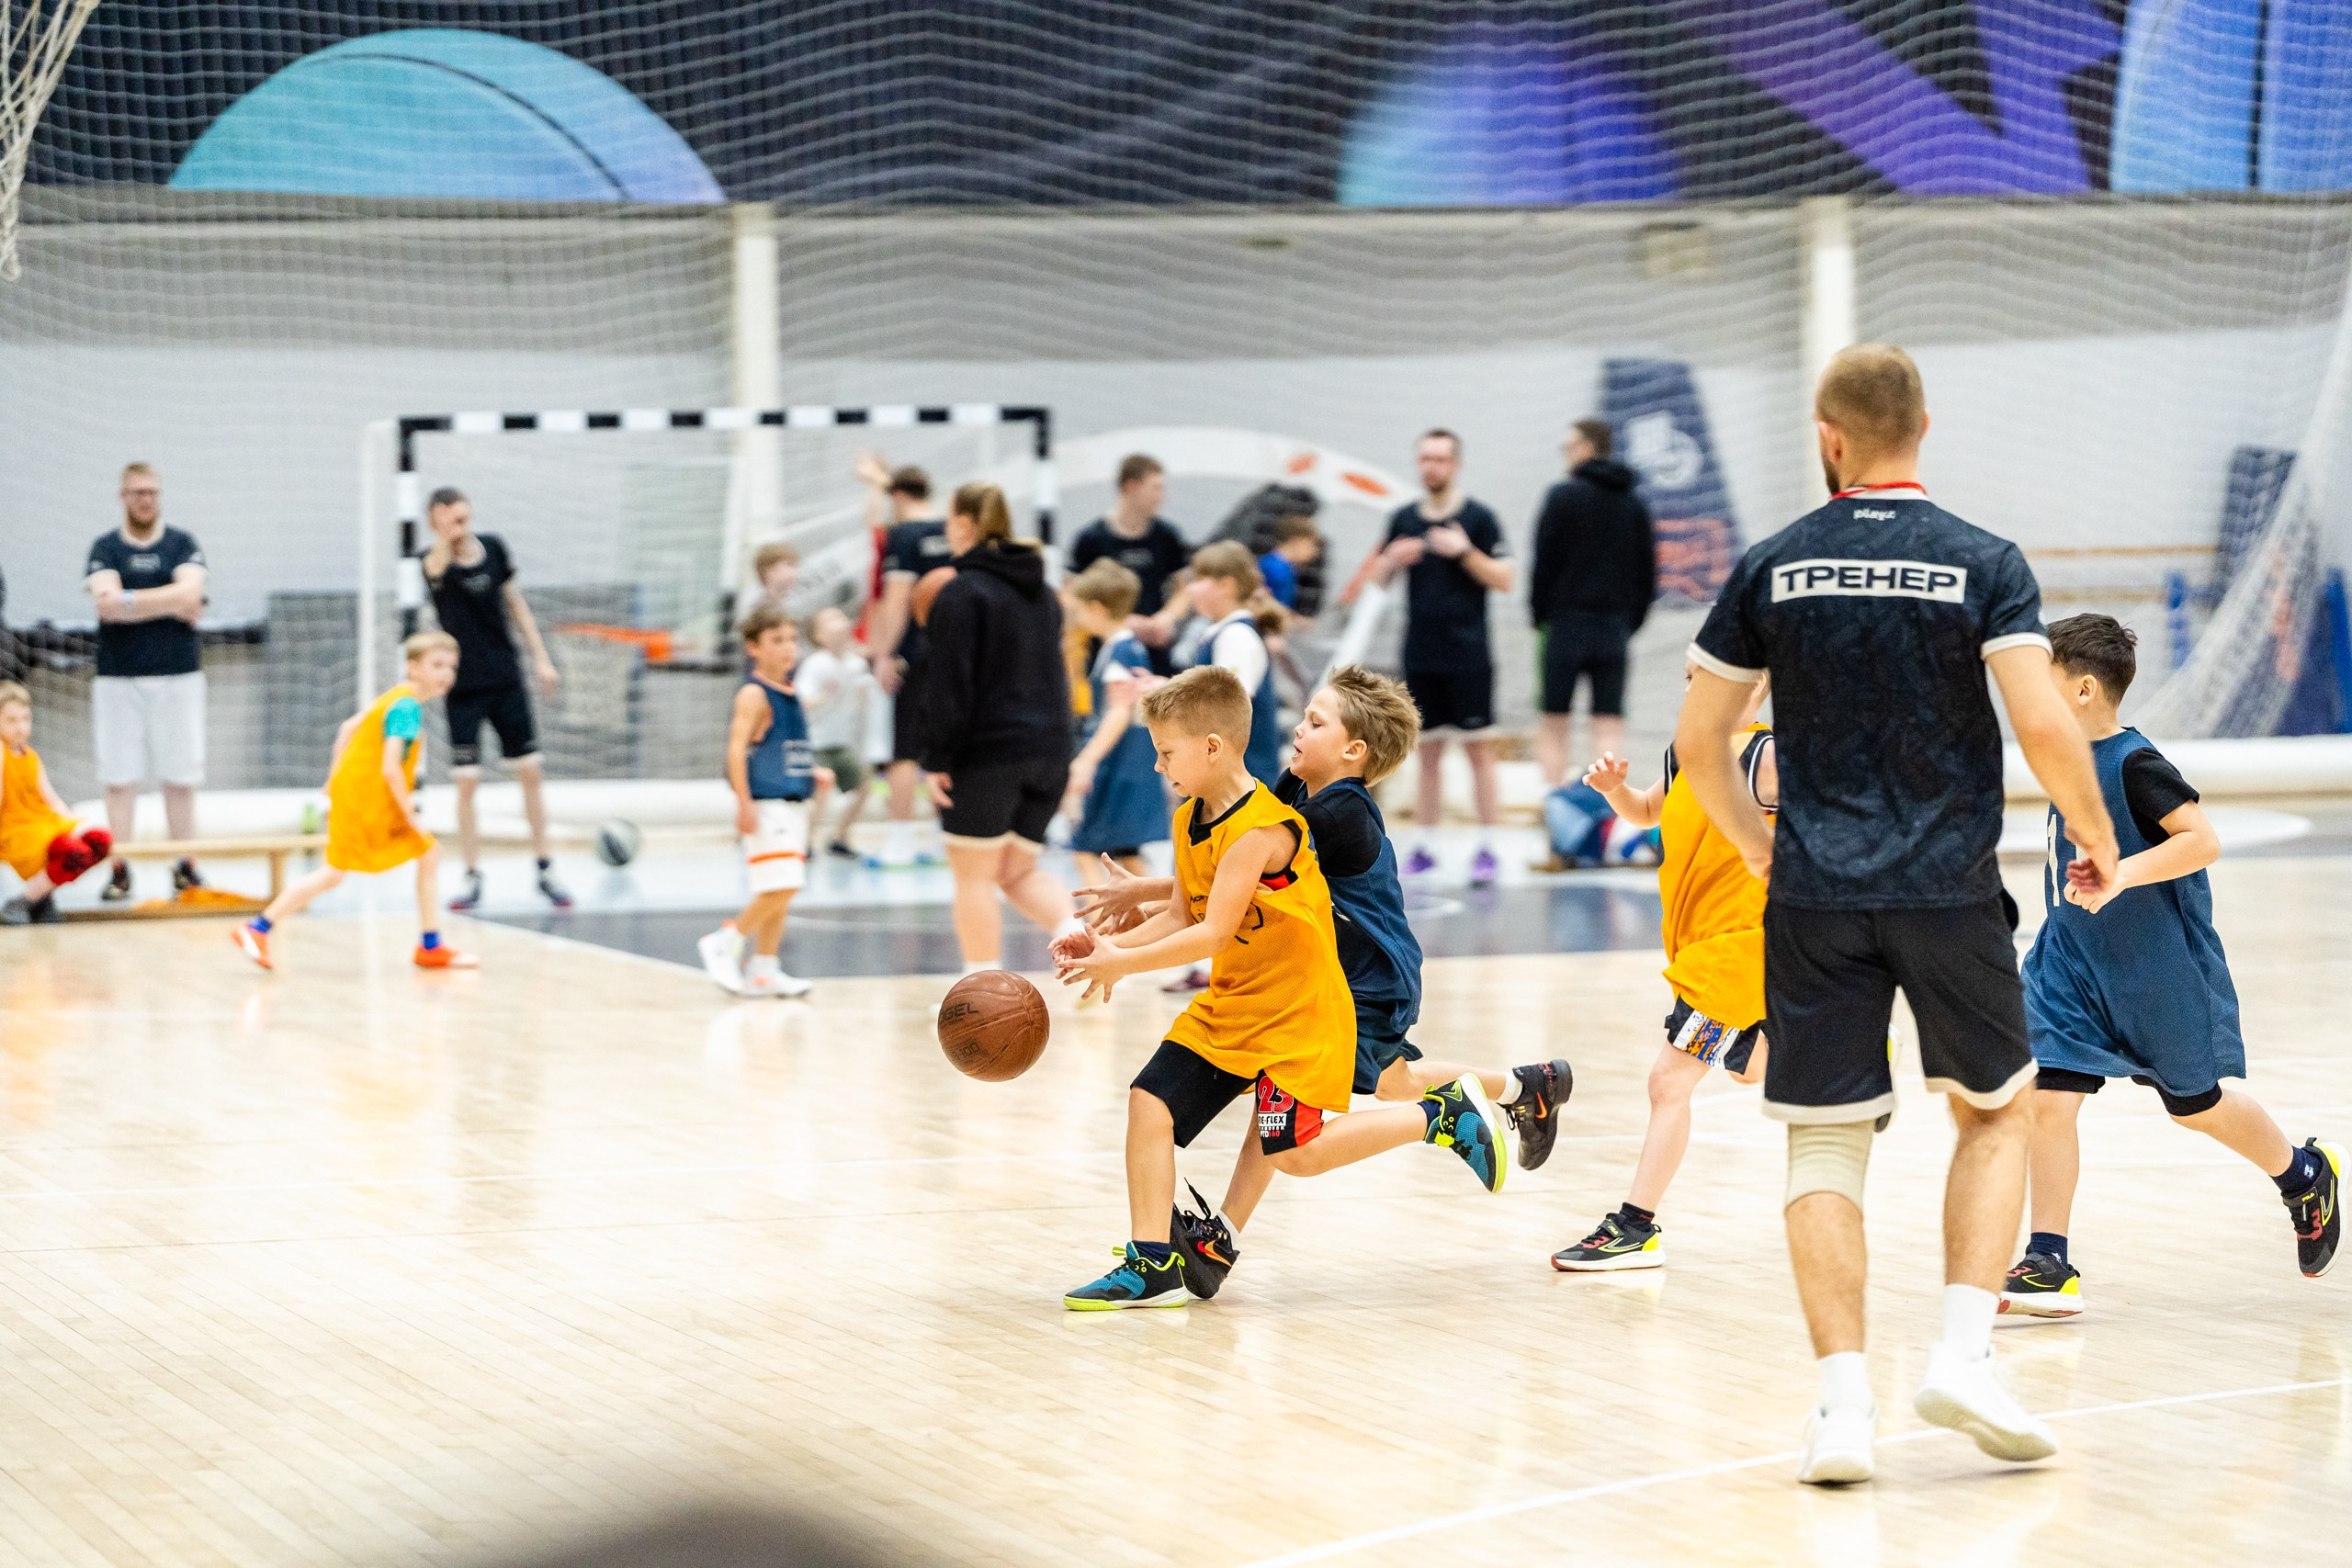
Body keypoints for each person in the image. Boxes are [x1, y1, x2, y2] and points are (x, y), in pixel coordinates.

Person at [1675, 343, 2118, 1485]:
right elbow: (2041, 723)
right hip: (1947, 889)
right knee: (1995, 1113)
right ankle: (1964, 1358)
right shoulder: (1981, 561)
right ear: (1924, 422)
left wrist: (1761, 847)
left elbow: (1696, 743)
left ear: (1828, 436)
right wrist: (2095, 835)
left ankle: (1839, 1412)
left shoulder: (1771, 565)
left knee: (1823, 1138)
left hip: (1815, 896)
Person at [1074, 665, 1575, 1299]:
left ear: (1353, 750)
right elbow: (1223, 865)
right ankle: (1531, 1085)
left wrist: (1135, 925)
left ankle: (1446, 1116)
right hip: (1320, 973)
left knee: (1299, 1132)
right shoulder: (1295, 789)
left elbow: (1234, 874)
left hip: (1364, 977)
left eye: (1315, 721)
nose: (1298, 728)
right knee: (1375, 1083)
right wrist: (1149, 895)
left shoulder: (1337, 813)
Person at [2003, 615, 2341, 1315]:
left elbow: (2203, 840)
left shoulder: (2133, 763)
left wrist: (2121, 872)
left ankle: (2304, 1174)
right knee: (2049, 1093)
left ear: (2086, 689)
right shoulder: (2060, 757)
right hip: (2069, 963)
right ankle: (2048, 1257)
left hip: (2155, 970)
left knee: (2198, 1106)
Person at [1550, 667, 1776, 1271]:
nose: (1691, 689)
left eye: (1706, 677)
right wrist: (1612, 792)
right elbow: (1647, 812)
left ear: (1755, 686)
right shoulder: (1686, 753)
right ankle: (1846, 1045)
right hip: (1695, 943)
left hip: (1740, 947)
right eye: (1686, 678)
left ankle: (1635, 1225)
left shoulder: (1767, 755)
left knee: (1668, 1081)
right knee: (1751, 1067)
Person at [232, 633, 479, 972]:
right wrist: (410, 813)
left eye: (451, 666)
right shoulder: (406, 707)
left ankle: (430, 945)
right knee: (336, 872)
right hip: (367, 799)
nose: (446, 674)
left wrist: (333, 778)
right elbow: (391, 767)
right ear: (413, 667)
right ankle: (256, 928)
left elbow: (347, 728)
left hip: (358, 794)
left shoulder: (397, 697)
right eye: (437, 665)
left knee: (423, 854)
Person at [916, 483, 1083, 973]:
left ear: (964, 523)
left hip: (989, 754)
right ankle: (1075, 935)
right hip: (1051, 752)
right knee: (1017, 871)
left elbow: (950, 687)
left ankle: (981, 992)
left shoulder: (961, 592)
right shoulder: (1045, 595)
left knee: (973, 878)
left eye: (950, 520)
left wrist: (938, 758)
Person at [418, 488, 571, 911]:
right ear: (437, 522)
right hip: (462, 688)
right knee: (466, 781)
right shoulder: (433, 562)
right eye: (452, 521)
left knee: (530, 773)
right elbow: (434, 568)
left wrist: (541, 658)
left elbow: (516, 605)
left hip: (505, 679)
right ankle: (471, 875)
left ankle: (545, 866)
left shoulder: (496, 549)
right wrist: (447, 536)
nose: (462, 527)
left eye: (466, 518)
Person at [1372, 431, 1512, 887]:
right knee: (1426, 753)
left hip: (1469, 655)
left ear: (1455, 464)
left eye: (1440, 459)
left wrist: (1465, 552)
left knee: (1479, 752)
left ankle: (1488, 847)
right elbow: (1375, 580)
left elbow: (1505, 579)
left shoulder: (1480, 519)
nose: (1431, 466)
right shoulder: (1402, 519)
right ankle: (1426, 846)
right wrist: (1393, 558)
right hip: (1420, 655)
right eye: (1425, 459)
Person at [83, 462, 208, 902]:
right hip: (118, 677)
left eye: (152, 492)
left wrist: (130, 601)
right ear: (123, 496)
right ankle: (120, 868)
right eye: (137, 492)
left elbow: (191, 594)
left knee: (180, 777)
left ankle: (186, 867)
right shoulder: (105, 548)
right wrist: (170, 600)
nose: (145, 500)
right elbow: (106, 604)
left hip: (178, 675)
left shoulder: (182, 543)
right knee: (119, 778)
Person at [697, 607, 832, 999]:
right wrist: (743, 803)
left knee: (783, 891)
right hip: (766, 804)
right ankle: (726, 941)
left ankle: (764, 969)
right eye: (777, 640)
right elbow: (736, 750)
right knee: (782, 884)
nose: (788, 647)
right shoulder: (754, 693)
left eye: (792, 639)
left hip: (793, 803)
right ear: (753, 647)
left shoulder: (792, 692)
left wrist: (813, 772)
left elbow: (782, 749)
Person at [1529, 418, 1655, 787]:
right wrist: (1627, 623)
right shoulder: (1633, 503)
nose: (1566, 454)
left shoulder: (1561, 496)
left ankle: (1555, 810)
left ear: (1586, 448)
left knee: (1554, 722)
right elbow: (1648, 573)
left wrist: (1541, 617)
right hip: (1613, 628)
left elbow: (1543, 563)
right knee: (1609, 723)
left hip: (1565, 624)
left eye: (1568, 446)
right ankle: (1606, 814)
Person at [861, 459, 949, 869]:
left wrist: (882, 654)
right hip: (960, 653)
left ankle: (899, 841)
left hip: (919, 654)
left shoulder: (905, 534)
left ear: (898, 497)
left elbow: (896, 601)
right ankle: (940, 838)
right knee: (946, 748)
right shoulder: (954, 528)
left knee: (906, 751)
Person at [1061, 561, 1168, 881]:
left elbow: (1119, 712)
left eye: (1080, 609)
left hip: (1118, 766)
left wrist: (1087, 760)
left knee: (1084, 850)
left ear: (1097, 608)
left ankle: (1101, 929)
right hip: (1131, 764)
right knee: (1127, 855)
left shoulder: (1121, 652)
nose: (1077, 617)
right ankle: (1154, 924)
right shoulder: (1128, 647)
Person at [0, 682, 112, 924]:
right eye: (11, 720)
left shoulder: (31, 756)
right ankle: (25, 900)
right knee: (75, 853)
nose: (20, 727)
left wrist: (75, 823)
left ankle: (40, 897)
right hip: (17, 832)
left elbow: (50, 798)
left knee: (100, 841)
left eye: (25, 718)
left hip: (42, 825)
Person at [1068, 453, 1192, 660]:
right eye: (1156, 488)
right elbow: (1071, 594)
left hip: (1156, 650)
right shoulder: (1091, 539)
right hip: (1106, 647)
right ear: (1132, 487)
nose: (1161, 496)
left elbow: (1184, 588)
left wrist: (1166, 618)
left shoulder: (1167, 536)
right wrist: (1118, 622)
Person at [1179, 543, 1285, 784]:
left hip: (1241, 783)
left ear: (1226, 586)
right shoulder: (1219, 632)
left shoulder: (1235, 636)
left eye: (1198, 579)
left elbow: (1230, 708)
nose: (1190, 588)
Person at [795, 607, 873, 860]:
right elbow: (800, 701)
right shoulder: (815, 664)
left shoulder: (856, 664)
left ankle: (840, 837)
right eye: (830, 620)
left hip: (843, 742)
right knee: (820, 791)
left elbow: (865, 695)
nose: (839, 623)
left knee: (863, 787)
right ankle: (804, 843)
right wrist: (822, 697)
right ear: (818, 635)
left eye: (841, 617)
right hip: (817, 742)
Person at [1255, 514, 1323, 611]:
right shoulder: (1278, 570)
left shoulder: (1274, 564)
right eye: (1310, 545)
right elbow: (1275, 608)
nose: (1314, 552)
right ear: (1296, 541)